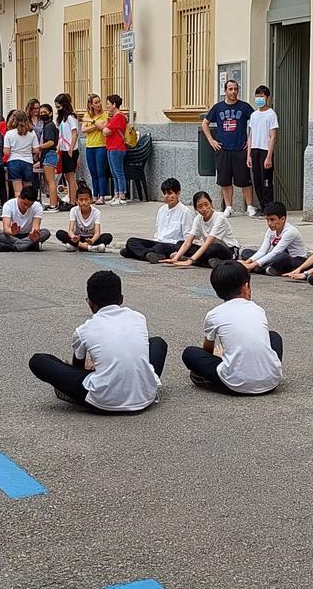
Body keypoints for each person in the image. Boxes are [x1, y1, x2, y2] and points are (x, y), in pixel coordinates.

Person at [28, 268, 165, 413]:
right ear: (121, 299)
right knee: (158, 342)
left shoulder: (84, 330)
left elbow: (78, 367)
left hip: (103, 402)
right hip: (146, 396)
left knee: (38, 360)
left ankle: (74, 393)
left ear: (90, 304)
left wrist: (88, 368)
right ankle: (143, 379)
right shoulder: (138, 317)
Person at [183, 259, 284, 394]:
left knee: (190, 353)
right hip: (272, 381)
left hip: (235, 385)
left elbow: (207, 349)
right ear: (245, 287)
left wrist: (220, 357)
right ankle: (267, 369)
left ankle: (213, 379)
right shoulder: (257, 309)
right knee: (274, 336)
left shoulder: (214, 314)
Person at [201, 77, 253, 215]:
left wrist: (250, 140)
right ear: (225, 91)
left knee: (245, 180)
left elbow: (255, 123)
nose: (233, 92)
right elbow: (205, 123)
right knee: (225, 180)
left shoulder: (245, 107)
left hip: (240, 148)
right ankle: (229, 207)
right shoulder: (218, 108)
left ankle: (249, 206)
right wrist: (211, 140)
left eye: (235, 89)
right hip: (223, 149)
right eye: (230, 89)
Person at [122, 177, 194, 261]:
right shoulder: (162, 210)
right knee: (131, 241)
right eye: (164, 193)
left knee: (158, 248)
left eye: (170, 193)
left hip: (172, 244)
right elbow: (158, 231)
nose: (166, 196)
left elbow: (188, 236)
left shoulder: (185, 211)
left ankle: (141, 253)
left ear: (178, 194)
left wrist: (181, 251)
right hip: (158, 242)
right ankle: (149, 254)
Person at [160, 189, 236, 267]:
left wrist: (190, 261)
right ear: (196, 209)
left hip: (228, 250)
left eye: (206, 204)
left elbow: (208, 243)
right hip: (208, 249)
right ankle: (209, 261)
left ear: (211, 204)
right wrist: (175, 258)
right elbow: (188, 241)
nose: (204, 209)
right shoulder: (198, 219)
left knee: (214, 247)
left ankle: (193, 260)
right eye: (200, 206)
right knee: (180, 244)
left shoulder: (220, 218)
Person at [240, 201, 305, 276]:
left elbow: (275, 252)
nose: (269, 223)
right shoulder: (271, 231)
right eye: (267, 220)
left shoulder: (290, 232)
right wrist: (247, 262)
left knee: (282, 256)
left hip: (293, 260)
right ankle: (268, 268)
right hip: (274, 257)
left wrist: (252, 265)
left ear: (283, 219)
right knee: (246, 252)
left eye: (272, 219)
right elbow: (262, 251)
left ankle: (259, 268)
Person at [247, 85, 279, 215]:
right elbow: (251, 135)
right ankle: (261, 205)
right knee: (257, 180)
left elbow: (273, 136)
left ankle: (268, 207)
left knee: (266, 181)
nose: (259, 99)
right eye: (257, 96)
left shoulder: (271, 114)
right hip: (255, 149)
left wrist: (269, 156)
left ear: (267, 98)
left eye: (262, 96)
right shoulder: (254, 115)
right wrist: (248, 155)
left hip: (265, 150)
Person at [0, 182, 49, 251]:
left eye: (29, 205)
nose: (26, 207)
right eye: (24, 204)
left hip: (28, 236)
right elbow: (6, 228)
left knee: (46, 232)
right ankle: (29, 246)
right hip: (12, 235)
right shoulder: (9, 204)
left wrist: (34, 234)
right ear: (19, 197)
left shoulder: (37, 206)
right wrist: (12, 232)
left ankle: (11, 247)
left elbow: (35, 227)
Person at [56, 183, 114, 250]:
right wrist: (74, 237)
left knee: (108, 236)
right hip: (78, 238)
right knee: (60, 233)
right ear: (76, 201)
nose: (84, 202)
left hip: (91, 238)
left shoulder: (96, 212)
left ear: (91, 200)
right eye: (81, 200)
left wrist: (92, 240)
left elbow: (97, 232)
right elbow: (70, 230)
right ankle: (89, 248)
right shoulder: (74, 210)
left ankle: (76, 246)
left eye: (86, 200)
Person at [103, 94, 131, 204]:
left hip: (117, 147)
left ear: (114, 105)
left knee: (118, 172)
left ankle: (122, 195)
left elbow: (106, 130)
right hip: (111, 146)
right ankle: (116, 194)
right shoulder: (113, 117)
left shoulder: (119, 117)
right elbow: (106, 129)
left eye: (109, 104)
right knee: (113, 172)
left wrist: (106, 129)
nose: (107, 106)